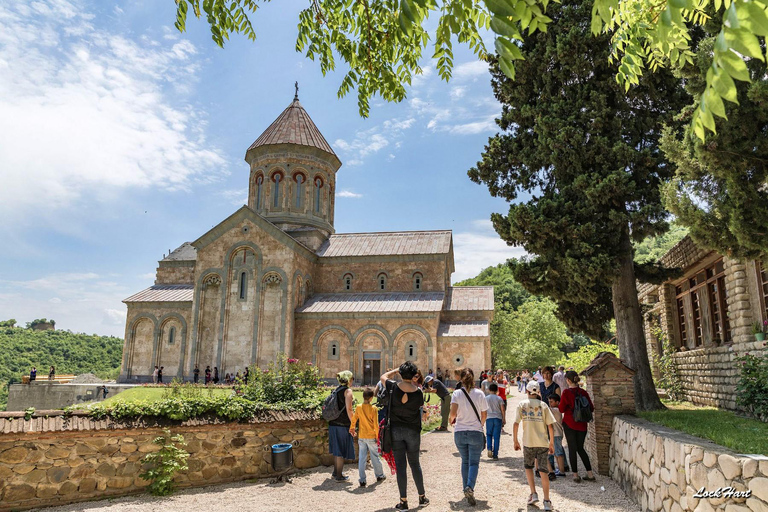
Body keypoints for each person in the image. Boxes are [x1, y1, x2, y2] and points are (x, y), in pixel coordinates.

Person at [381, 362, 429, 510]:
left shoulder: (392, 387)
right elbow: (421, 410)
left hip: (395, 430)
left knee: (401, 466)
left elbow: (383, 376)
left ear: (401, 374)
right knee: (415, 464)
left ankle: (403, 501)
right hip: (413, 431)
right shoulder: (419, 392)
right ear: (414, 375)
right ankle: (422, 497)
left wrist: (396, 370)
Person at [514, 381, 556, 511]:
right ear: (538, 392)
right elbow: (550, 425)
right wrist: (551, 443)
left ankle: (533, 493)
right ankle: (547, 501)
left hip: (528, 442)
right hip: (542, 443)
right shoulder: (543, 405)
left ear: (527, 391)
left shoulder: (522, 404)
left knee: (528, 467)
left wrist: (515, 440)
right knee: (544, 471)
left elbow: (516, 423)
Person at [449, 367, 487, 506]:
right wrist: (479, 425)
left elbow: (452, 414)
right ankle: (469, 487)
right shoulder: (480, 394)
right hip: (475, 431)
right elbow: (484, 415)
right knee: (474, 463)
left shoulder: (457, 393)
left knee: (465, 461)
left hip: (460, 431)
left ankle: (466, 488)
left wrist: (451, 420)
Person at [559, 370, 595, 482]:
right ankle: (590, 474)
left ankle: (575, 475)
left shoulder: (566, 393)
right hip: (582, 424)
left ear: (568, 380)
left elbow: (561, 409)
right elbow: (591, 408)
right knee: (580, 448)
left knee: (572, 448)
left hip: (570, 423)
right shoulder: (583, 392)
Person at [350, 387, 385, 487]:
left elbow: (354, 419)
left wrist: (352, 428)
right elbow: (376, 424)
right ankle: (379, 475)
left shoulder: (358, 407)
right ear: (370, 398)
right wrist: (378, 437)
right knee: (375, 457)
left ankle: (362, 480)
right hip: (371, 436)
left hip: (362, 436)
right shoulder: (373, 409)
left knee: (362, 458)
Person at [328, 370, 355, 482]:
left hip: (333, 423)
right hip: (342, 424)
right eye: (352, 378)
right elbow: (349, 409)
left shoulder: (336, 390)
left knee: (337, 449)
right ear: (349, 379)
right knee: (340, 450)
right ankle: (339, 476)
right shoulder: (347, 391)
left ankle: (335, 472)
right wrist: (353, 424)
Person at [548, 394, 567, 477]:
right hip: (556, 434)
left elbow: (547, 409)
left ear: (557, 402)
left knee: (559, 453)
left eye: (551, 402)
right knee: (556, 453)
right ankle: (560, 469)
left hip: (556, 434)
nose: (550, 403)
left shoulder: (556, 410)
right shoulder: (556, 410)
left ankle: (562, 471)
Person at [485, 382, 505, 460]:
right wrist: (504, 418)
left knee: (489, 434)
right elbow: (502, 409)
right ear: (497, 390)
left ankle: (489, 448)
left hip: (489, 418)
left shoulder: (486, 398)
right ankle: (495, 454)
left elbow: (483, 409)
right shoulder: (499, 398)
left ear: (489, 390)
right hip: (498, 418)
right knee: (496, 437)